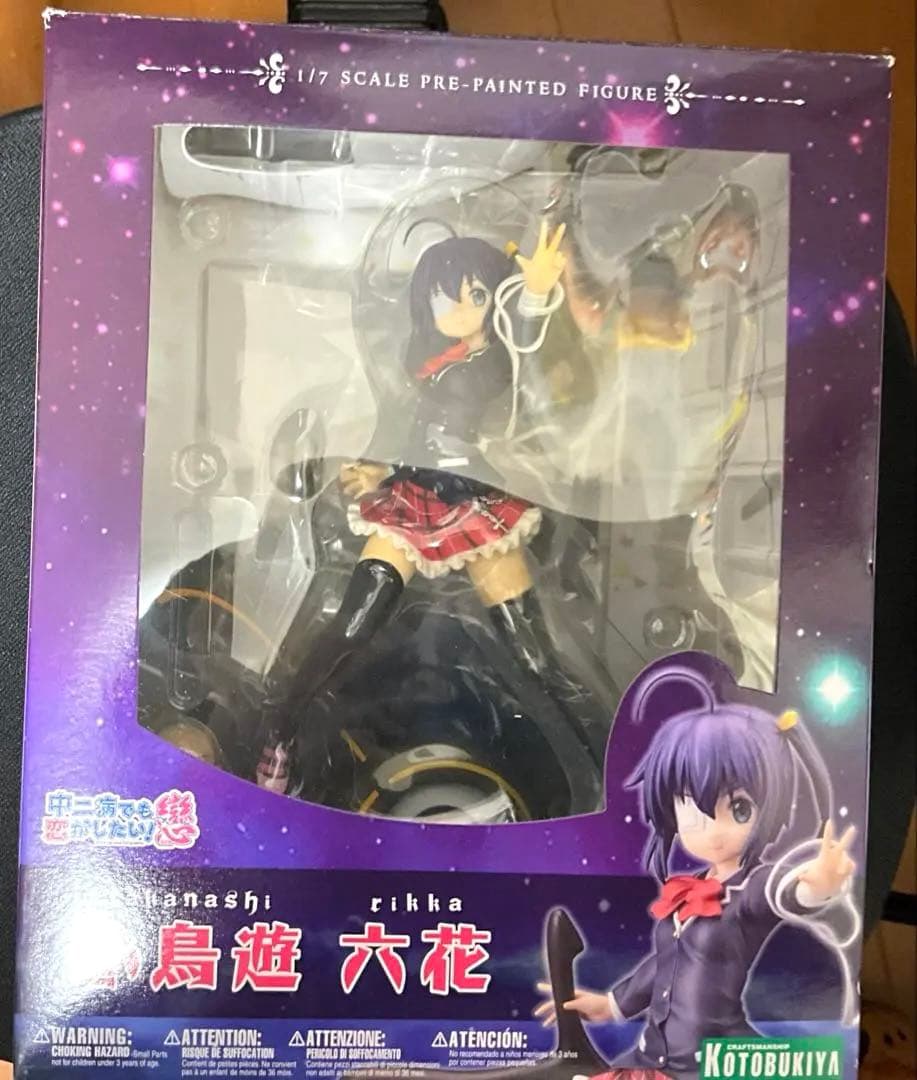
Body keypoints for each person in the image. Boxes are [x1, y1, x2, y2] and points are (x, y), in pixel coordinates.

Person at [534, 665, 858, 1080]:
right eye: (689, 805)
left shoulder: (751, 887)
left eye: (739, 808)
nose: (711, 828)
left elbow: (783, 891)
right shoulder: (690, 889)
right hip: (653, 1058)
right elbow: (664, 962)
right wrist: (611, 1004)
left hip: (711, 1064)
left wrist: (818, 887)